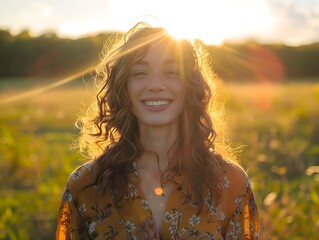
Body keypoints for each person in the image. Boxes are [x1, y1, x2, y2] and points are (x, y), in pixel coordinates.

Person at [56, 22, 260, 239]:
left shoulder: (231, 182)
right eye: (140, 73)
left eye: (171, 72)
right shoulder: (86, 184)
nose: (155, 85)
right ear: (123, 87)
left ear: (190, 86)